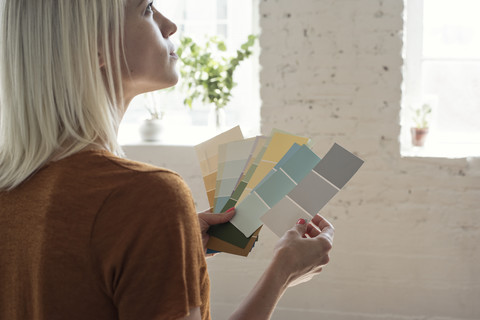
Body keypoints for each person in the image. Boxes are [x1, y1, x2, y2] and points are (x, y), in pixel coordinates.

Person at [0, 1, 334, 319]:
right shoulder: (145, 195)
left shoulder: (10, 182)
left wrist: (165, 246)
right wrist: (282, 273)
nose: (169, 25)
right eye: (147, 9)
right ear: (96, 47)